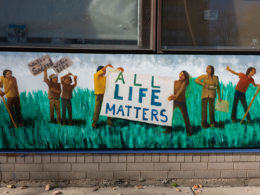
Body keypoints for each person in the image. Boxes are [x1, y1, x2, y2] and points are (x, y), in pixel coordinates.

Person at [92, 64, 124, 128]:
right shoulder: (96, 76)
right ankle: (94, 122)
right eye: (103, 70)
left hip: (106, 94)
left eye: (105, 71)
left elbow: (113, 75)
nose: (105, 72)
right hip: (99, 95)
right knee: (97, 109)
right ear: (99, 71)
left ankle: (109, 120)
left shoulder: (105, 78)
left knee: (109, 106)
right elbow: (103, 70)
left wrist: (118, 70)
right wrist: (107, 65)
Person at [168, 71, 192, 136]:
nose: (180, 76)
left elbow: (180, 90)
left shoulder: (185, 82)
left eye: (183, 75)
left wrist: (174, 97)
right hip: (174, 101)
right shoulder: (175, 82)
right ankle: (168, 129)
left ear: (185, 77)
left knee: (185, 117)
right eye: (180, 74)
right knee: (169, 115)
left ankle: (189, 131)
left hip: (181, 102)